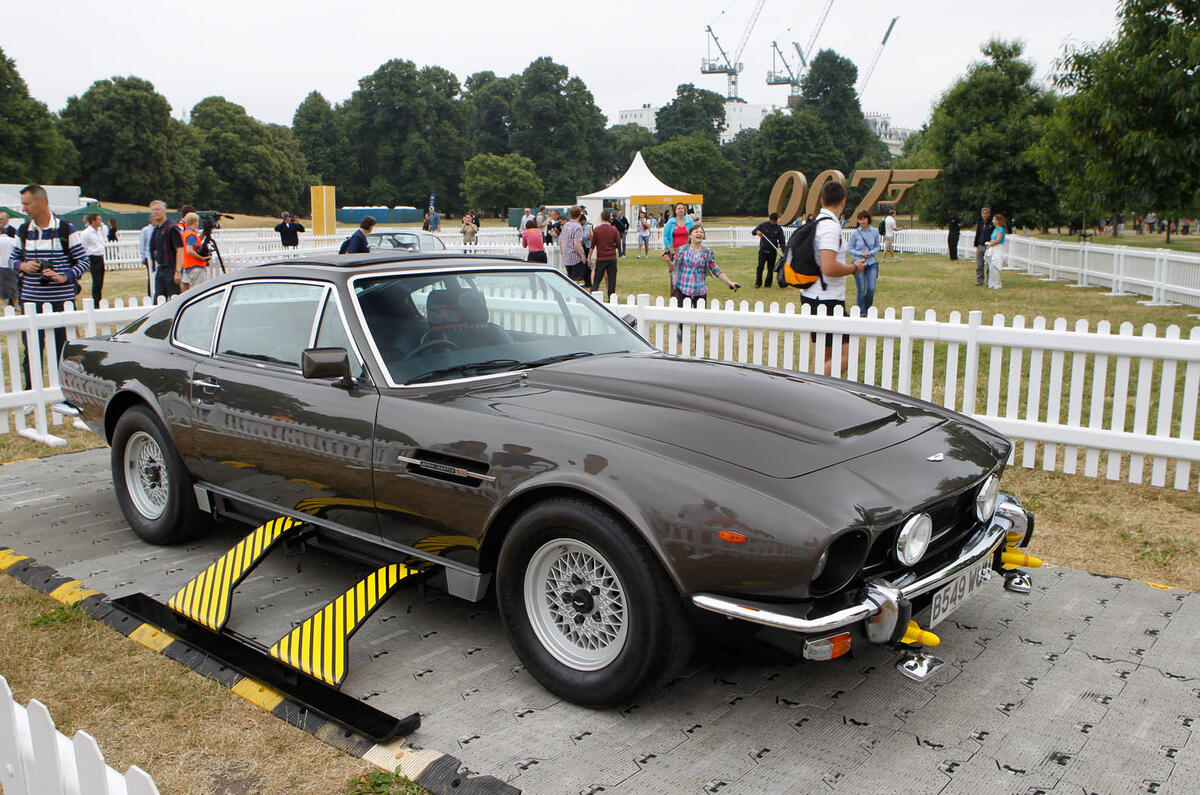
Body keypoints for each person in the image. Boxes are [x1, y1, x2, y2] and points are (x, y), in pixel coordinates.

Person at [8, 185, 90, 393]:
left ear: (41, 202)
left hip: (61, 300)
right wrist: (22, 266)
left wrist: (64, 276)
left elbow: (83, 261)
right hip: (31, 300)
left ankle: (65, 392)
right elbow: (12, 260)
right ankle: (31, 392)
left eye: (27, 203)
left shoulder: (65, 229)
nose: (24, 208)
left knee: (62, 349)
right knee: (32, 350)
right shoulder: (24, 231)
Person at [802, 180, 860, 376]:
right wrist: (853, 268)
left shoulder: (817, 224)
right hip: (826, 300)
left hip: (813, 295)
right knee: (850, 353)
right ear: (843, 201)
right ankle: (810, 387)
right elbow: (828, 267)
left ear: (821, 199)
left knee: (824, 356)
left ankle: (815, 392)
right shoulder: (830, 228)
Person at [670, 224, 739, 309]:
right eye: (696, 232)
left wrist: (730, 282)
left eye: (701, 232)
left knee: (701, 321)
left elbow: (715, 269)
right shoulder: (682, 250)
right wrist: (667, 260)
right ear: (690, 235)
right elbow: (674, 267)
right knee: (682, 321)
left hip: (700, 291)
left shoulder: (707, 252)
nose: (699, 234)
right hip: (683, 289)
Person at [847, 211, 882, 314]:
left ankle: (868, 308)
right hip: (859, 262)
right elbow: (850, 249)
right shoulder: (855, 233)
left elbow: (877, 246)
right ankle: (861, 311)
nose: (862, 221)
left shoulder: (875, 232)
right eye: (860, 219)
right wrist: (861, 254)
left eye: (864, 219)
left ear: (868, 219)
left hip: (871, 263)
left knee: (871, 288)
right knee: (861, 288)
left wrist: (871, 253)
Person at [149, 200, 182, 301]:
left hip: (171, 270)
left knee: (174, 299)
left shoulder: (171, 228)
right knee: (158, 300)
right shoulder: (157, 229)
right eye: (153, 210)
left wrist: (178, 271)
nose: (155, 212)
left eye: (158, 209)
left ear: (164, 211)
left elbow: (180, 249)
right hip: (161, 269)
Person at [174, 212, 213, 292]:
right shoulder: (191, 234)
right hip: (195, 266)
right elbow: (189, 250)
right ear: (194, 221)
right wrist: (202, 258)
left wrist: (203, 234)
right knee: (199, 291)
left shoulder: (187, 233)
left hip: (188, 265)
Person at [661, 202, 694, 290]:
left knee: (688, 273)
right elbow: (666, 236)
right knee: (674, 273)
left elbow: (693, 234)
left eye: (682, 208)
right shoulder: (671, 222)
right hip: (675, 251)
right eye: (678, 208)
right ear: (675, 211)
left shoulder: (689, 221)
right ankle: (675, 293)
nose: (680, 210)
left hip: (688, 252)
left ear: (685, 210)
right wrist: (670, 249)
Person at [590, 209, 621, 299]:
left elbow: (592, 245)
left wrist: (589, 257)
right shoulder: (614, 230)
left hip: (601, 257)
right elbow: (618, 244)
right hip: (611, 257)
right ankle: (611, 297)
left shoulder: (597, 230)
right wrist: (613, 247)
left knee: (597, 278)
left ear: (602, 217)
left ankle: (593, 293)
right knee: (611, 279)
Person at [79, 212, 107, 304]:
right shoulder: (86, 233)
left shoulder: (99, 231)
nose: (100, 221)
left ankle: (99, 298)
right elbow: (83, 247)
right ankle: (96, 301)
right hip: (93, 258)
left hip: (100, 257)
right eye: (99, 219)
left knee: (101, 281)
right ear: (93, 221)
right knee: (97, 281)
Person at [751, 212, 786, 288]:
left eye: (775, 221)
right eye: (773, 221)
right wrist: (757, 232)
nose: (774, 222)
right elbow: (753, 232)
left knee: (770, 268)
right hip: (763, 251)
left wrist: (784, 252)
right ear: (770, 220)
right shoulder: (763, 225)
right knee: (760, 267)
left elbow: (782, 242)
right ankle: (758, 283)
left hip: (772, 251)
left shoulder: (778, 229)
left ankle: (768, 284)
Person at [559, 206, 587, 285]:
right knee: (576, 280)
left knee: (570, 279)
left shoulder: (566, 225)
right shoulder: (578, 227)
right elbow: (577, 243)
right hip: (575, 257)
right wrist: (582, 255)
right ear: (579, 215)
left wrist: (562, 251)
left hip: (567, 256)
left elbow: (560, 240)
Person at [973, 206, 994, 286]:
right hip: (980, 245)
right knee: (979, 265)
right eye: (983, 213)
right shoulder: (981, 222)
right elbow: (978, 232)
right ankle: (979, 280)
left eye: (986, 213)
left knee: (989, 265)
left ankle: (989, 281)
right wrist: (976, 243)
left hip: (988, 246)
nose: (984, 215)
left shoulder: (992, 223)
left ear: (989, 213)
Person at [985, 213, 1007, 289]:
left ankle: (997, 284)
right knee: (991, 266)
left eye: (994, 219)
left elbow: (998, 240)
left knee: (995, 265)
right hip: (992, 248)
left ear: (998, 221)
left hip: (998, 249)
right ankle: (991, 283)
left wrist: (990, 244)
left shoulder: (1001, 229)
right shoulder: (995, 230)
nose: (993, 221)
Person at [0, 213, 17, 310]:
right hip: (11, 264)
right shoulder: (12, 239)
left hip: (4, 264)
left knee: (4, 286)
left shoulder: (13, 231)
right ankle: (15, 305)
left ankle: (5, 305)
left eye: (1, 219)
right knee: (13, 285)